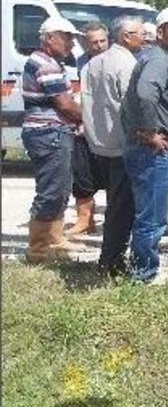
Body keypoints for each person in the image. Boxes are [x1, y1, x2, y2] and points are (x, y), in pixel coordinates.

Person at [121, 6, 168, 283]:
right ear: (160, 33)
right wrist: (150, 132)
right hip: (150, 150)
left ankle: (142, 268)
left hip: (146, 149)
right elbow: (146, 93)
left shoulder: (157, 58)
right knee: (152, 217)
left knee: (147, 214)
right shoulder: (159, 61)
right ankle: (145, 274)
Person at [21, 17, 88, 263]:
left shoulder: (50, 62)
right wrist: (92, 119)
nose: (71, 43)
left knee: (60, 188)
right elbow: (65, 105)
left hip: (53, 132)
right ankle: (38, 248)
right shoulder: (46, 65)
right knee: (51, 190)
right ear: (50, 38)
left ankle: (55, 239)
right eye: (67, 37)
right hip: (48, 133)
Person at [82, 16, 143, 276]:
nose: (144, 38)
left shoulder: (91, 64)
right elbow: (132, 106)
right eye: (140, 33)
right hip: (122, 144)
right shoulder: (126, 63)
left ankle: (110, 258)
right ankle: (112, 262)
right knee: (122, 207)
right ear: (126, 36)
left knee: (115, 203)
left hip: (100, 144)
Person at [70, 21, 111, 236]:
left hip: (112, 126)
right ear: (85, 43)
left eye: (102, 40)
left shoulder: (116, 61)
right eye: (94, 42)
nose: (99, 45)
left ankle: (115, 219)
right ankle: (85, 219)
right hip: (85, 123)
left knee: (114, 175)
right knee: (82, 172)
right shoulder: (80, 63)